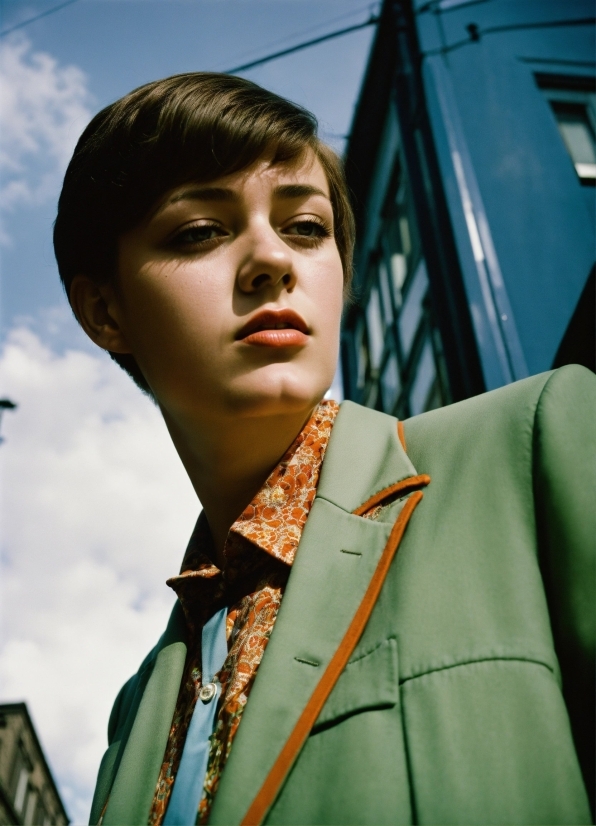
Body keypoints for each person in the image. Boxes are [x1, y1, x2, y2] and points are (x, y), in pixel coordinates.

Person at [53, 73, 594, 826]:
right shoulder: (136, 713)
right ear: (105, 311)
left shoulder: (534, 447)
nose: (273, 260)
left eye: (305, 227)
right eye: (200, 231)